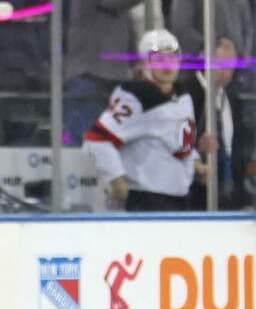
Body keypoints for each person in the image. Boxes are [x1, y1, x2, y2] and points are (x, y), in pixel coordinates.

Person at [85, 29, 213, 211]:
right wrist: (116, 179)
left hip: (181, 197)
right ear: (145, 63)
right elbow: (98, 139)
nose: (167, 66)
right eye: (159, 60)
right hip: (146, 200)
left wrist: (196, 163)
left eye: (172, 58)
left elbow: (178, 142)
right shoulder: (135, 97)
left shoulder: (184, 96)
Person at [63, 0, 147, 145]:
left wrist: (134, 59)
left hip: (114, 77)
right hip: (89, 77)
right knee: (86, 148)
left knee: (117, 147)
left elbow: (125, 19)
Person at [184, 37, 247, 209]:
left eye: (231, 66)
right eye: (222, 65)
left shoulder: (231, 97)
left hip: (228, 194)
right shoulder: (185, 93)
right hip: (194, 198)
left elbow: (234, 147)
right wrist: (197, 148)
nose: (228, 73)